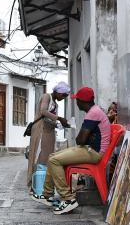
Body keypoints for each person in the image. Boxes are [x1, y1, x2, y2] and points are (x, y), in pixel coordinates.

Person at [36, 86, 111, 215]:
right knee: (53, 156)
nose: (76, 103)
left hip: (94, 153)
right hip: (90, 149)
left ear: (82, 102)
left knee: (54, 160)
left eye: (77, 100)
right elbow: (83, 139)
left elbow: (80, 140)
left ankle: (68, 199)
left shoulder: (93, 113)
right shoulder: (94, 111)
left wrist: (83, 137)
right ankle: (47, 194)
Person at [26, 82, 71, 190]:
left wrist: (60, 124)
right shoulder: (47, 97)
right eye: (63, 95)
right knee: (39, 155)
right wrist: (59, 118)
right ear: (58, 92)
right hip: (41, 130)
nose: (63, 98)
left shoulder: (55, 103)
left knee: (47, 158)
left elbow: (49, 119)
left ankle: (43, 183)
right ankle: (35, 182)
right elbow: (43, 111)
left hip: (49, 131)